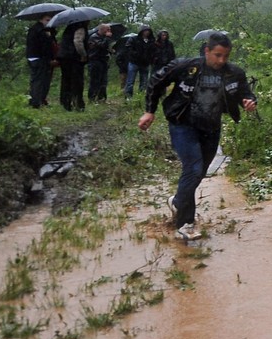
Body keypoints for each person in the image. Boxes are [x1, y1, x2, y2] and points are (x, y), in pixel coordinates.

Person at [138, 31, 257, 242]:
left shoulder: (234, 73)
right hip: (182, 124)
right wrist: (150, 111)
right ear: (207, 51)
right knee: (192, 168)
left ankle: (177, 200)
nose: (221, 60)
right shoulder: (186, 67)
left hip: (211, 127)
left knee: (199, 173)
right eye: (217, 55)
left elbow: (244, 93)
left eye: (225, 56)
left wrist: (249, 101)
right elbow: (156, 81)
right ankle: (185, 223)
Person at [25, 14, 57, 107]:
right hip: (38, 58)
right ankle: (36, 102)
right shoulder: (39, 30)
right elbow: (44, 47)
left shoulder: (45, 30)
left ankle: (40, 100)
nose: (49, 22)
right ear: (41, 20)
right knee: (38, 80)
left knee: (43, 80)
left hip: (37, 58)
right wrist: (48, 60)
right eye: (47, 20)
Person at [57, 19, 89, 110]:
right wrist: (83, 55)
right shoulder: (80, 28)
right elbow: (78, 42)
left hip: (64, 57)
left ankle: (65, 102)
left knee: (66, 80)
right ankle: (78, 103)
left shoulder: (69, 28)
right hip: (74, 58)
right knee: (77, 82)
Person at [86, 23, 114, 103]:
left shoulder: (104, 38)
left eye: (109, 30)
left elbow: (105, 48)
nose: (109, 31)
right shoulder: (94, 37)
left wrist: (110, 51)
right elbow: (101, 46)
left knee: (104, 81)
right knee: (95, 81)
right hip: (95, 61)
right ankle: (92, 99)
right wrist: (107, 38)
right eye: (107, 29)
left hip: (103, 61)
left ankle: (101, 98)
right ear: (101, 29)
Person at [124, 26, 154, 98]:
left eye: (148, 31)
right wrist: (135, 54)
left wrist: (150, 58)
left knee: (144, 82)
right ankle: (128, 96)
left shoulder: (152, 40)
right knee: (130, 81)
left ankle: (140, 96)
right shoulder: (134, 39)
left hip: (145, 63)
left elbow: (154, 51)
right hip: (134, 62)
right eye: (145, 30)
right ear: (142, 31)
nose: (147, 32)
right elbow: (128, 47)